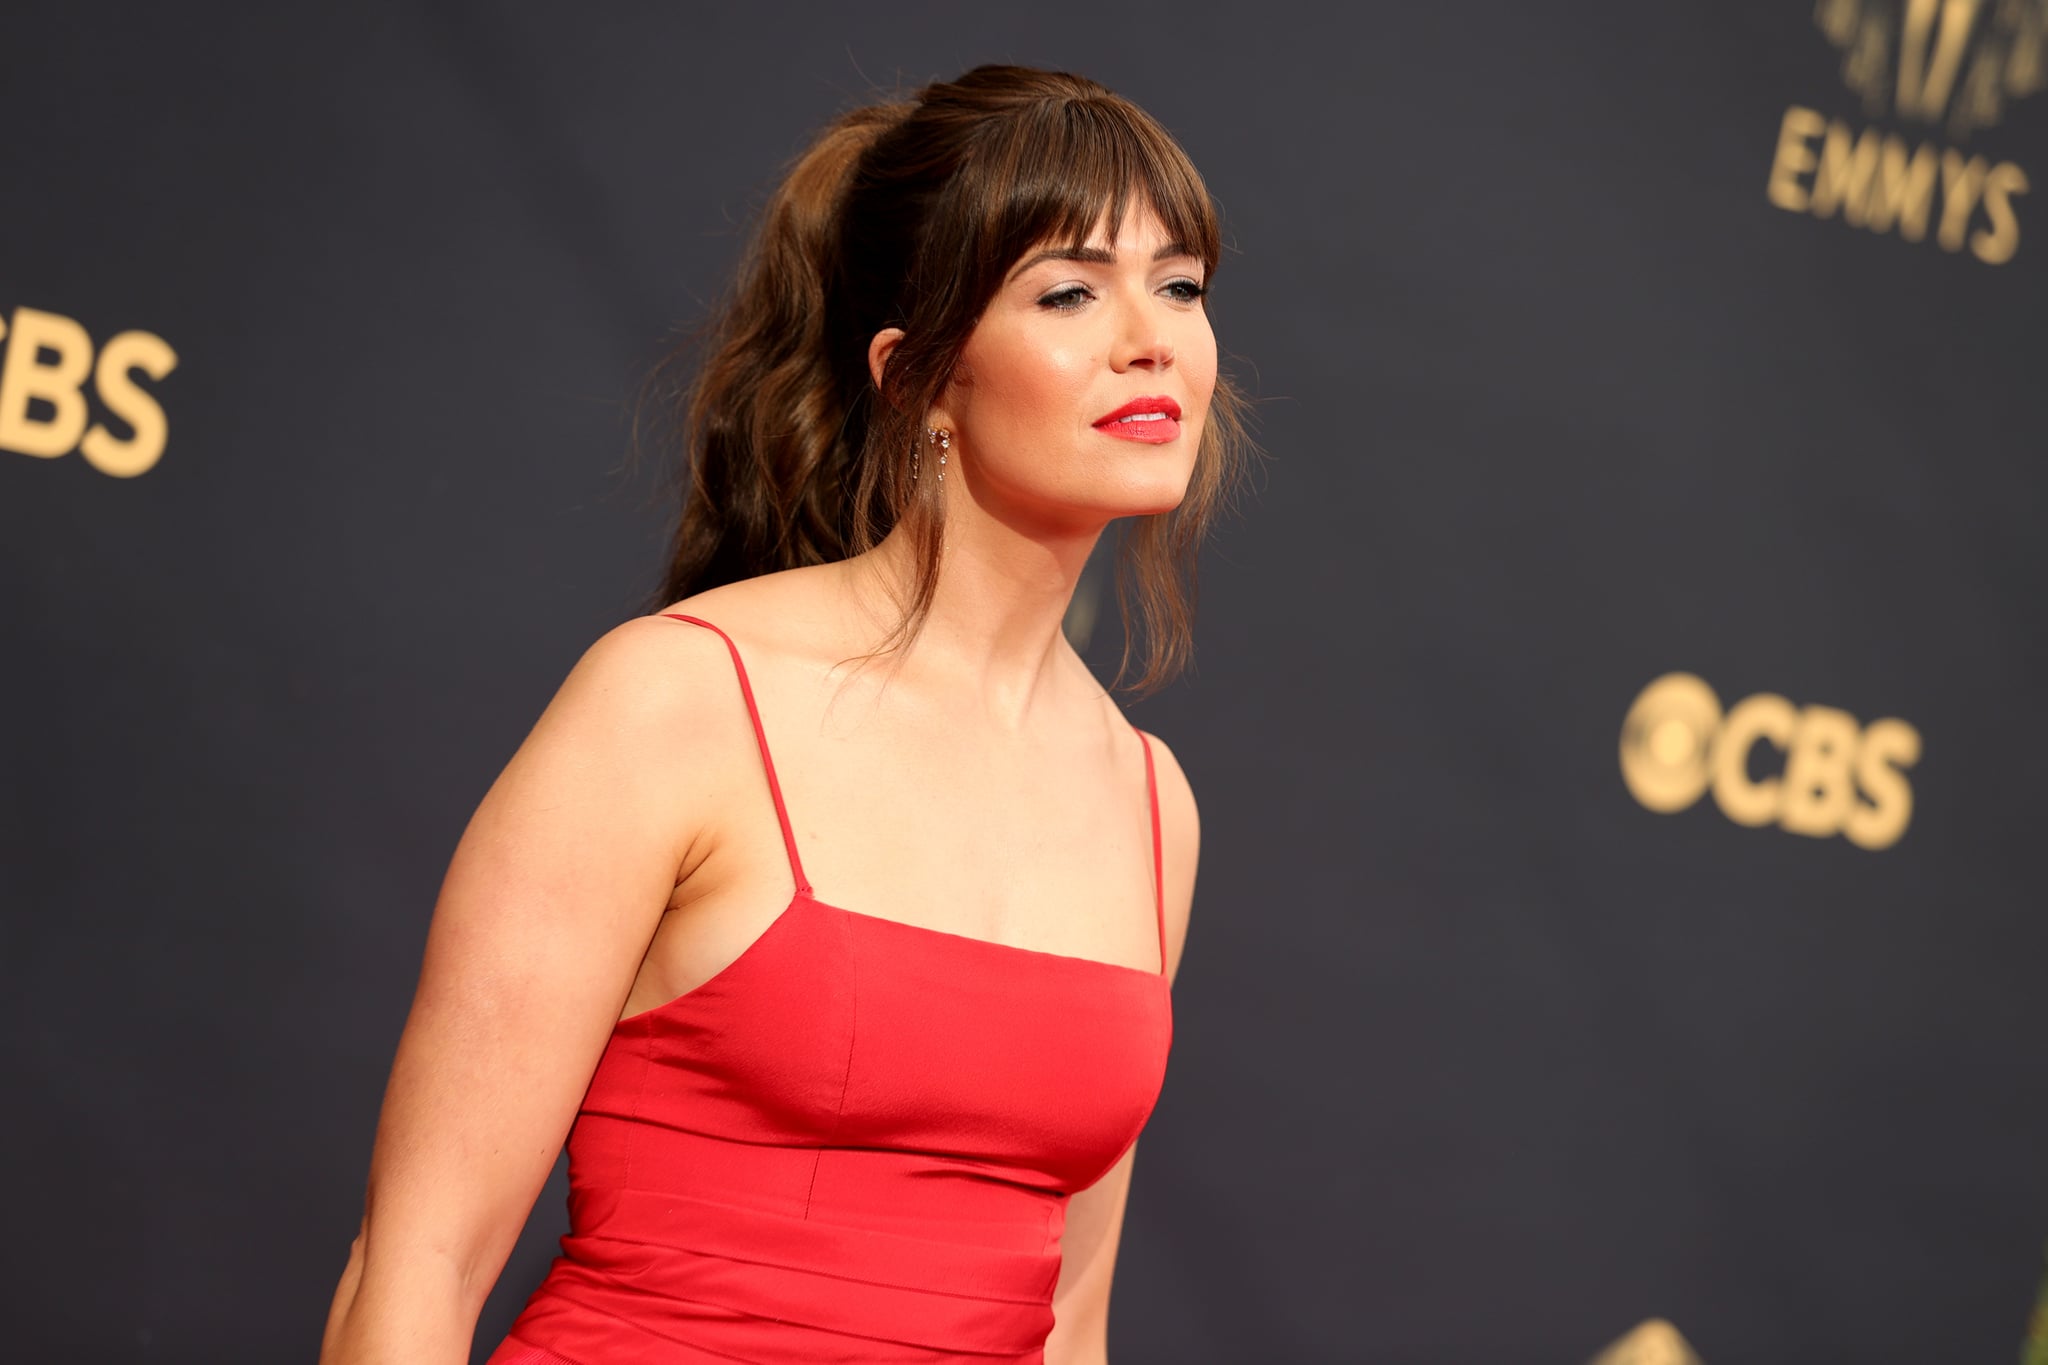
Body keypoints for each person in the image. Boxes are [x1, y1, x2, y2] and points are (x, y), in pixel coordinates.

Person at [319, 63, 1253, 1365]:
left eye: (1183, 285)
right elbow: (416, 1262)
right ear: (920, 374)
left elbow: (1068, 1328)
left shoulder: (1153, 805)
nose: (1151, 336)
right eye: (1070, 290)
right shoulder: (676, 699)